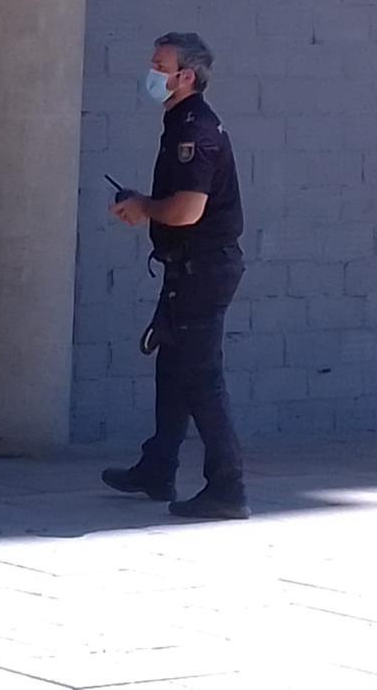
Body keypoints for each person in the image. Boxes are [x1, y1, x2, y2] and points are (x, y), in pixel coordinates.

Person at [102, 32, 249, 520]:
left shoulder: (194, 131)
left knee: (202, 376)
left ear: (186, 76)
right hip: (188, 267)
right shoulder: (180, 123)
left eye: (160, 64)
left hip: (202, 267)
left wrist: (143, 207)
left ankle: (227, 486)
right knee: (175, 366)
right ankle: (158, 466)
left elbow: (187, 211)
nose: (151, 71)